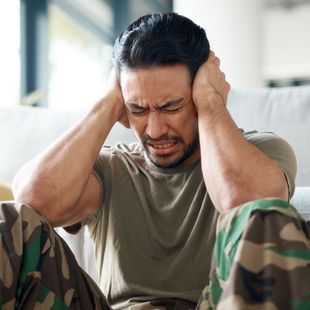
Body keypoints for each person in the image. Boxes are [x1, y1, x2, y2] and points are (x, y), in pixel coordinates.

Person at [1, 12, 309, 310]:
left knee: (266, 217)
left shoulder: (264, 151)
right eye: (138, 109)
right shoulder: (110, 168)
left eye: (171, 107)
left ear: (200, 92)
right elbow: (31, 203)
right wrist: (106, 105)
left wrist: (210, 101)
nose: (155, 129)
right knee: (8, 221)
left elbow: (247, 205)